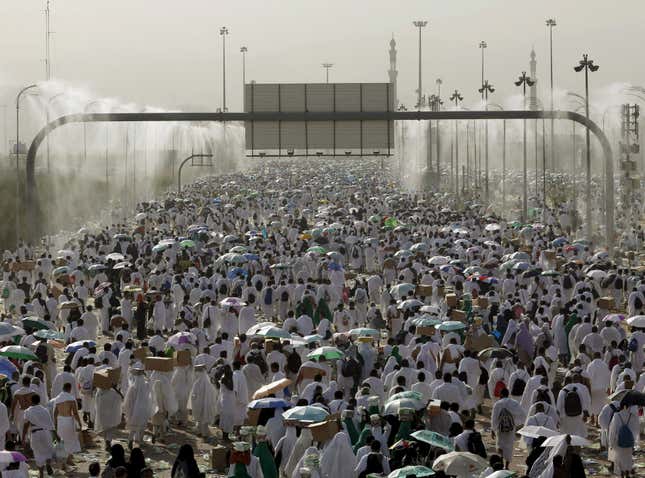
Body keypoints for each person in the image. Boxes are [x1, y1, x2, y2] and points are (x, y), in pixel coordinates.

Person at [22, 394, 56, 478]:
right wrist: (56, 436)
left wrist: (23, 437)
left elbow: (26, 425)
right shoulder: (45, 410)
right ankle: (48, 464)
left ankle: (41, 474)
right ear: (39, 400)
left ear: (31, 401)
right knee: (48, 450)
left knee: (38, 453)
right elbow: (51, 424)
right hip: (46, 433)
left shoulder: (28, 411)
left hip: (35, 433)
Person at [52, 382, 82, 467]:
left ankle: (64, 461)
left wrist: (55, 424)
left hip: (60, 421)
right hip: (69, 421)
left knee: (62, 442)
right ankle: (68, 459)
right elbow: (75, 413)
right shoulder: (71, 398)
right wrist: (79, 423)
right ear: (69, 389)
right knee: (71, 440)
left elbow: (55, 413)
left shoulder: (57, 399)